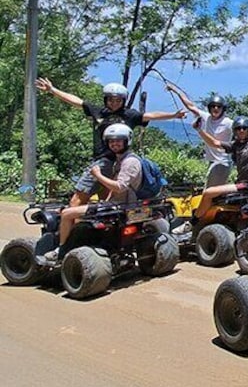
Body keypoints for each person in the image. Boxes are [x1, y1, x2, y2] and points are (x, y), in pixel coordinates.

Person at [35, 77, 186, 206]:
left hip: (110, 162)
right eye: (111, 99)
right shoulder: (99, 112)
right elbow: (77, 102)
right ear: (105, 99)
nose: (114, 103)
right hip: (110, 161)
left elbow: (150, 115)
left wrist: (173, 115)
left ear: (123, 100)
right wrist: (53, 90)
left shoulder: (129, 115)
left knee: (76, 201)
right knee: (106, 203)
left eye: (118, 100)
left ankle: (68, 235)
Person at [42, 124, 142, 262]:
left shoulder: (129, 161)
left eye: (118, 140)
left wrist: (97, 175)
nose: (114, 144)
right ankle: (84, 241)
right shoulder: (122, 159)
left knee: (66, 213)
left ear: (127, 141)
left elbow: (120, 187)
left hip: (119, 206)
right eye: (111, 141)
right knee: (81, 213)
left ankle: (62, 249)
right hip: (120, 204)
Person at [178, 116, 248, 232]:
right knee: (217, 198)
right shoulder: (236, 145)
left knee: (208, 193)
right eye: (238, 128)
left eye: (244, 128)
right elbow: (214, 143)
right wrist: (199, 130)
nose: (241, 130)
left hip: (247, 185)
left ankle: (192, 223)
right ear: (234, 131)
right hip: (241, 184)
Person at [166, 84, 233, 188]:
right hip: (213, 162)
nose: (216, 108)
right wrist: (176, 91)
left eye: (219, 106)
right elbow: (190, 106)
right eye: (213, 106)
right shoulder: (206, 117)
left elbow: (244, 130)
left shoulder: (228, 122)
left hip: (222, 162)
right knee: (212, 193)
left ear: (223, 109)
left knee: (209, 193)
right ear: (209, 108)